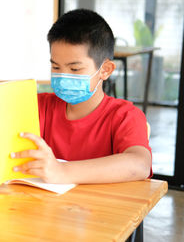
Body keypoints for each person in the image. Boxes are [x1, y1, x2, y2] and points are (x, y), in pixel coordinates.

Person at [12, 9, 152, 184]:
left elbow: (140, 165)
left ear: (105, 70)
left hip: (103, 209)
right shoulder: (40, 106)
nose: (63, 76)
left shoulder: (124, 116)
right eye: (56, 67)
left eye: (75, 69)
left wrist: (62, 171)